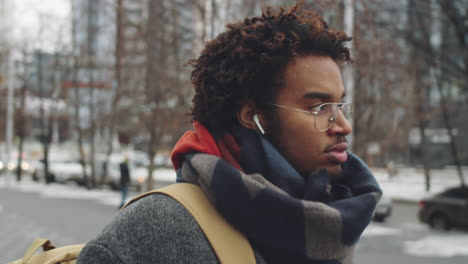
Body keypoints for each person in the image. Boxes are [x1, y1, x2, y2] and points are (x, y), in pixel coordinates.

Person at [78, 1, 382, 263]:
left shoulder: (327, 221)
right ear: (252, 116)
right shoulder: (153, 229)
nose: (344, 125)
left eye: (340, 105)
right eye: (319, 108)